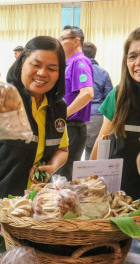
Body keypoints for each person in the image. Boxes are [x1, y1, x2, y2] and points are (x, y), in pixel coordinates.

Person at [0, 36, 68, 198]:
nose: (42, 73)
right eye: (36, 65)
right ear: (21, 64)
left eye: (52, 69)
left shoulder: (58, 108)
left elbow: (63, 149)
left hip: (36, 199)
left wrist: (52, 166)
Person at [90, 27, 140, 199]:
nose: (138, 63)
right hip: (121, 195)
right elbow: (102, 139)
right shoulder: (119, 94)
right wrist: (89, 181)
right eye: (133, 56)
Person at [57, 25, 94, 181]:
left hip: (72, 127)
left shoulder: (79, 61)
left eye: (63, 39)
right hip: (66, 128)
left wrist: (63, 115)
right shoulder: (69, 63)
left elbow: (87, 93)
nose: (59, 43)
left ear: (76, 41)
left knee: (63, 176)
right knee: (59, 174)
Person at [82, 42, 113, 159]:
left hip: (76, 115)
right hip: (95, 117)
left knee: (73, 149)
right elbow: (109, 97)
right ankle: (89, 176)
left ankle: (71, 176)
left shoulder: (74, 71)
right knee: (92, 149)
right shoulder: (103, 73)